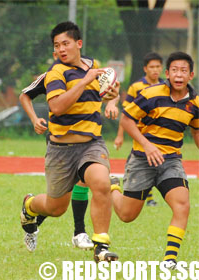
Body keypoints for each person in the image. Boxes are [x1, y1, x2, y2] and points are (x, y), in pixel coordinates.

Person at [19, 21, 120, 262]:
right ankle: (30, 205)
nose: (61, 49)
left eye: (65, 43)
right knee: (56, 208)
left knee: (101, 183)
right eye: (57, 45)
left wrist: (113, 99)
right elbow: (57, 106)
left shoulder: (94, 65)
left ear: (79, 44)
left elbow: (111, 88)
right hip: (61, 150)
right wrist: (85, 81)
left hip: (91, 143)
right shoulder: (56, 73)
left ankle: (101, 247)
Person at [111, 51, 198, 269]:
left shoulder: (195, 103)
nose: (179, 75)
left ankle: (169, 260)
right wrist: (147, 145)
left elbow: (196, 131)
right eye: (175, 70)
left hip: (171, 161)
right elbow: (127, 119)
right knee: (126, 215)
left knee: (182, 205)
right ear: (167, 74)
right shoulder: (150, 94)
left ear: (191, 75)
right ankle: (113, 187)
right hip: (142, 159)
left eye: (184, 71)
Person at [114, 52, 164, 207]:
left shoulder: (165, 86)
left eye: (158, 66)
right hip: (139, 133)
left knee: (154, 162)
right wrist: (120, 136)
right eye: (152, 67)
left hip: (157, 133)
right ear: (145, 69)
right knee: (139, 161)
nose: (155, 70)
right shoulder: (136, 87)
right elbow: (126, 113)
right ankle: (127, 191)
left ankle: (147, 198)